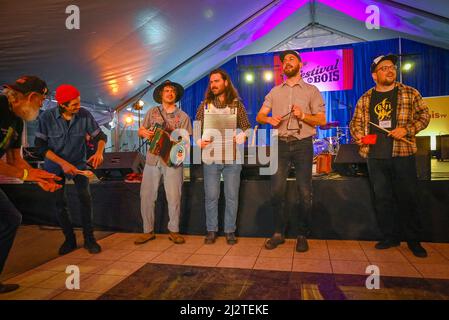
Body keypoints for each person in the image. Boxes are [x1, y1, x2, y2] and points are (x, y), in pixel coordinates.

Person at [350, 54, 430, 257]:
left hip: (402, 153)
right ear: (374, 75)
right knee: (383, 199)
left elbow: (424, 116)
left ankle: (413, 240)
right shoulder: (366, 98)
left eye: (392, 67)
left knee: (408, 197)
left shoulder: (409, 92)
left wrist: (407, 129)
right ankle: (390, 237)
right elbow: (355, 124)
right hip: (375, 155)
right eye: (384, 68)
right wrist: (359, 136)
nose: (390, 70)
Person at [256, 50, 326, 252]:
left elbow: (321, 120)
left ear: (300, 64)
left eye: (291, 59)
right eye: (284, 60)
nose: (286, 62)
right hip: (280, 145)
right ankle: (278, 233)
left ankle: (302, 234)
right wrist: (269, 119)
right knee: (276, 191)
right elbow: (260, 115)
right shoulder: (274, 91)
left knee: (305, 192)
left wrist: (303, 115)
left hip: (303, 144)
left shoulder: (311, 90)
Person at [0, 76, 61, 294]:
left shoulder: (16, 119)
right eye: (42, 101)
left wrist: (39, 176)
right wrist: (28, 175)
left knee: (11, 218)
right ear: (32, 97)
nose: (42, 106)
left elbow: (15, 160)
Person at [35, 84, 107, 255]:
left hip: (79, 164)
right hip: (54, 166)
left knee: (85, 199)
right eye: (74, 104)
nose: (78, 107)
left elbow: (100, 136)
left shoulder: (84, 115)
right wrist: (62, 163)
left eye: (78, 102)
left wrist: (99, 152)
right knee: (59, 203)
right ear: (62, 104)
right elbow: (40, 147)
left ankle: (89, 239)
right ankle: (69, 238)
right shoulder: (46, 117)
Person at [195, 69, 251, 245]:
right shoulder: (204, 105)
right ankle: (211, 230)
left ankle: (229, 230)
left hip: (232, 157)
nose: (213, 85)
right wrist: (198, 140)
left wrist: (244, 135)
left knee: (231, 196)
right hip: (211, 157)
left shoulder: (236, 105)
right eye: (211, 82)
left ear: (226, 82)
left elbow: (247, 127)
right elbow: (196, 127)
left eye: (216, 81)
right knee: (211, 196)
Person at [134, 80, 192, 245]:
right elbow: (141, 130)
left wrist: (173, 139)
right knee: (146, 196)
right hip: (152, 159)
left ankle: (174, 231)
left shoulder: (183, 116)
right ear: (161, 94)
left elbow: (186, 141)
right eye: (166, 90)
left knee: (174, 197)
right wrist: (145, 133)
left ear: (176, 95)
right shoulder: (152, 112)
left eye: (172, 91)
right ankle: (147, 231)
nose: (169, 93)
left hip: (173, 161)